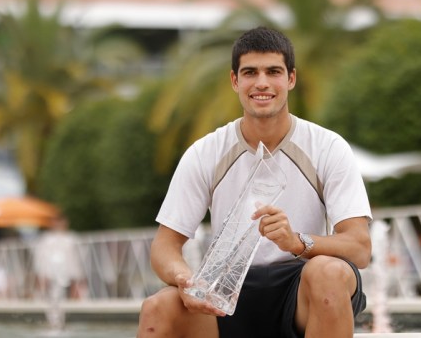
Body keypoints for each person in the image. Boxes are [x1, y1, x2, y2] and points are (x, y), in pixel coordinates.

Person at [137, 26, 372, 338]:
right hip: (229, 289)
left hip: (301, 289)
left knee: (328, 272)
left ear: (291, 79)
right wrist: (184, 278)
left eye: (273, 71)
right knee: (157, 308)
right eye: (250, 72)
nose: (262, 83)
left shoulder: (327, 146)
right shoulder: (206, 151)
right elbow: (165, 245)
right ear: (235, 81)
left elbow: (359, 248)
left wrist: (297, 242)